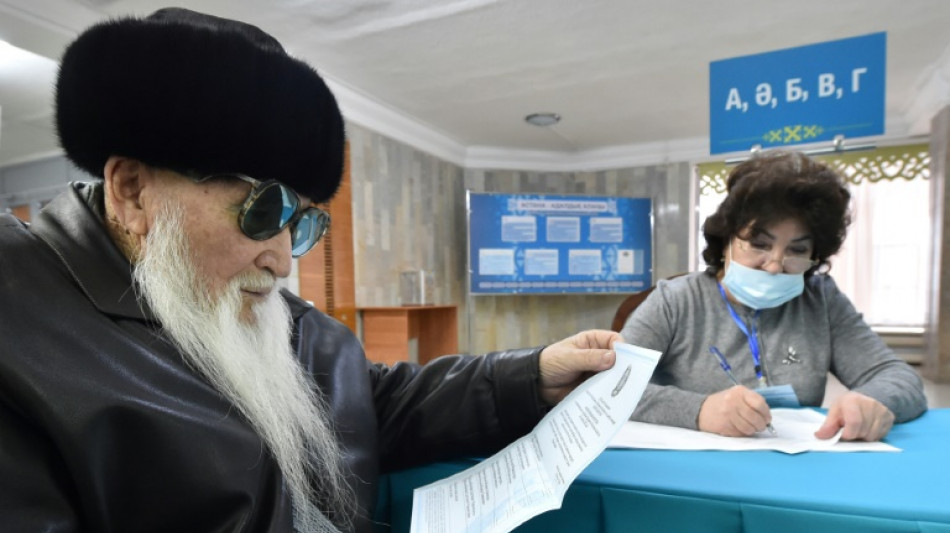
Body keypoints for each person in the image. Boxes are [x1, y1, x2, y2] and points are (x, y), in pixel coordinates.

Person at [0, 8, 623, 533]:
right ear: (134, 190)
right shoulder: (20, 330)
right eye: (261, 209)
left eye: (300, 223)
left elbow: (376, 399)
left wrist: (533, 376)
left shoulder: (264, 312)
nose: (279, 260)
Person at [621, 150, 927, 442]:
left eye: (796, 250)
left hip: (793, 467)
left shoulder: (821, 300)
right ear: (726, 239)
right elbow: (610, 386)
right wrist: (699, 410)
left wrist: (872, 401)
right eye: (758, 243)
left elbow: (897, 376)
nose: (774, 265)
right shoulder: (675, 300)